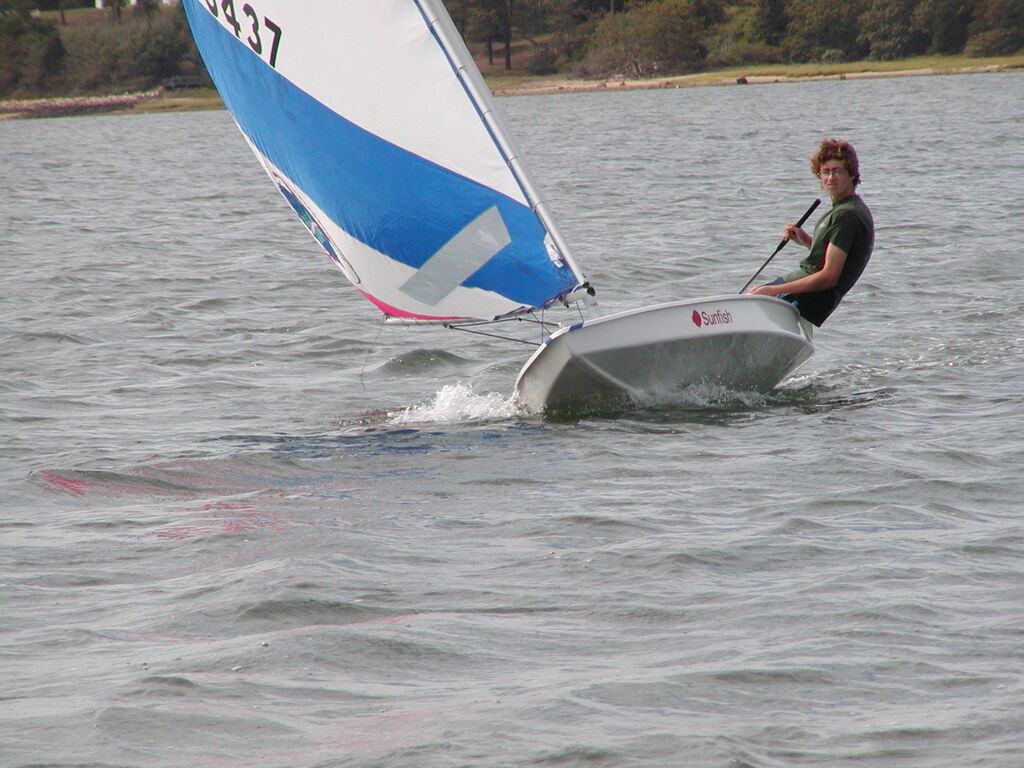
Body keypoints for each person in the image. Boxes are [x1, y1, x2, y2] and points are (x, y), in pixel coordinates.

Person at [748, 139, 874, 326]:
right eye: (826, 172)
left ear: (852, 175)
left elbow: (829, 277)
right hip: (805, 295)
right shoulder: (848, 208)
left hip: (807, 300)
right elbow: (837, 254)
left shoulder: (846, 215)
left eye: (837, 171)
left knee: (750, 299)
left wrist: (771, 291)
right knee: (749, 297)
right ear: (819, 177)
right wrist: (807, 240)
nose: (831, 178)